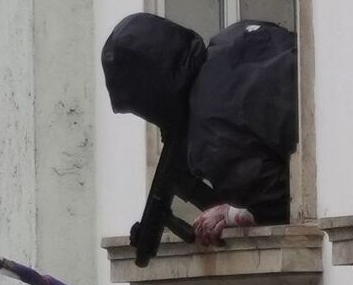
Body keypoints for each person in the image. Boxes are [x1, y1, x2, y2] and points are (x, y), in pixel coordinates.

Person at [102, 13, 299, 247]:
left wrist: (228, 215)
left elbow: (281, 205)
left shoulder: (210, 138)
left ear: (150, 99)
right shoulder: (235, 35)